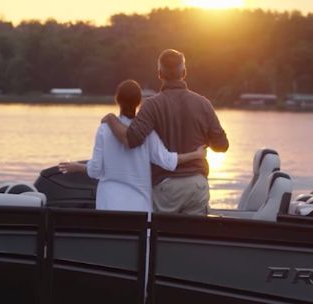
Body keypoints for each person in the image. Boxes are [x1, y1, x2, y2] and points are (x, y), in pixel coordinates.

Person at [102, 49, 229, 215]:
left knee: (162, 238)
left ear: (159, 74)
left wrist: (111, 118)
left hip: (166, 187)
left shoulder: (151, 105)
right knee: (195, 238)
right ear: (184, 73)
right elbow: (221, 146)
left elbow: (131, 140)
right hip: (196, 185)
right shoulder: (203, 104)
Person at [59, 79, 205, 212]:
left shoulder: (104, 129)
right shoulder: (147, 133)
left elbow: (96, 170)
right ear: (139, 101)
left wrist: (77, 167)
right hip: (139, 208)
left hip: (108, 205)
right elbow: (168, 161)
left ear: (117, 99)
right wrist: (196, 155)